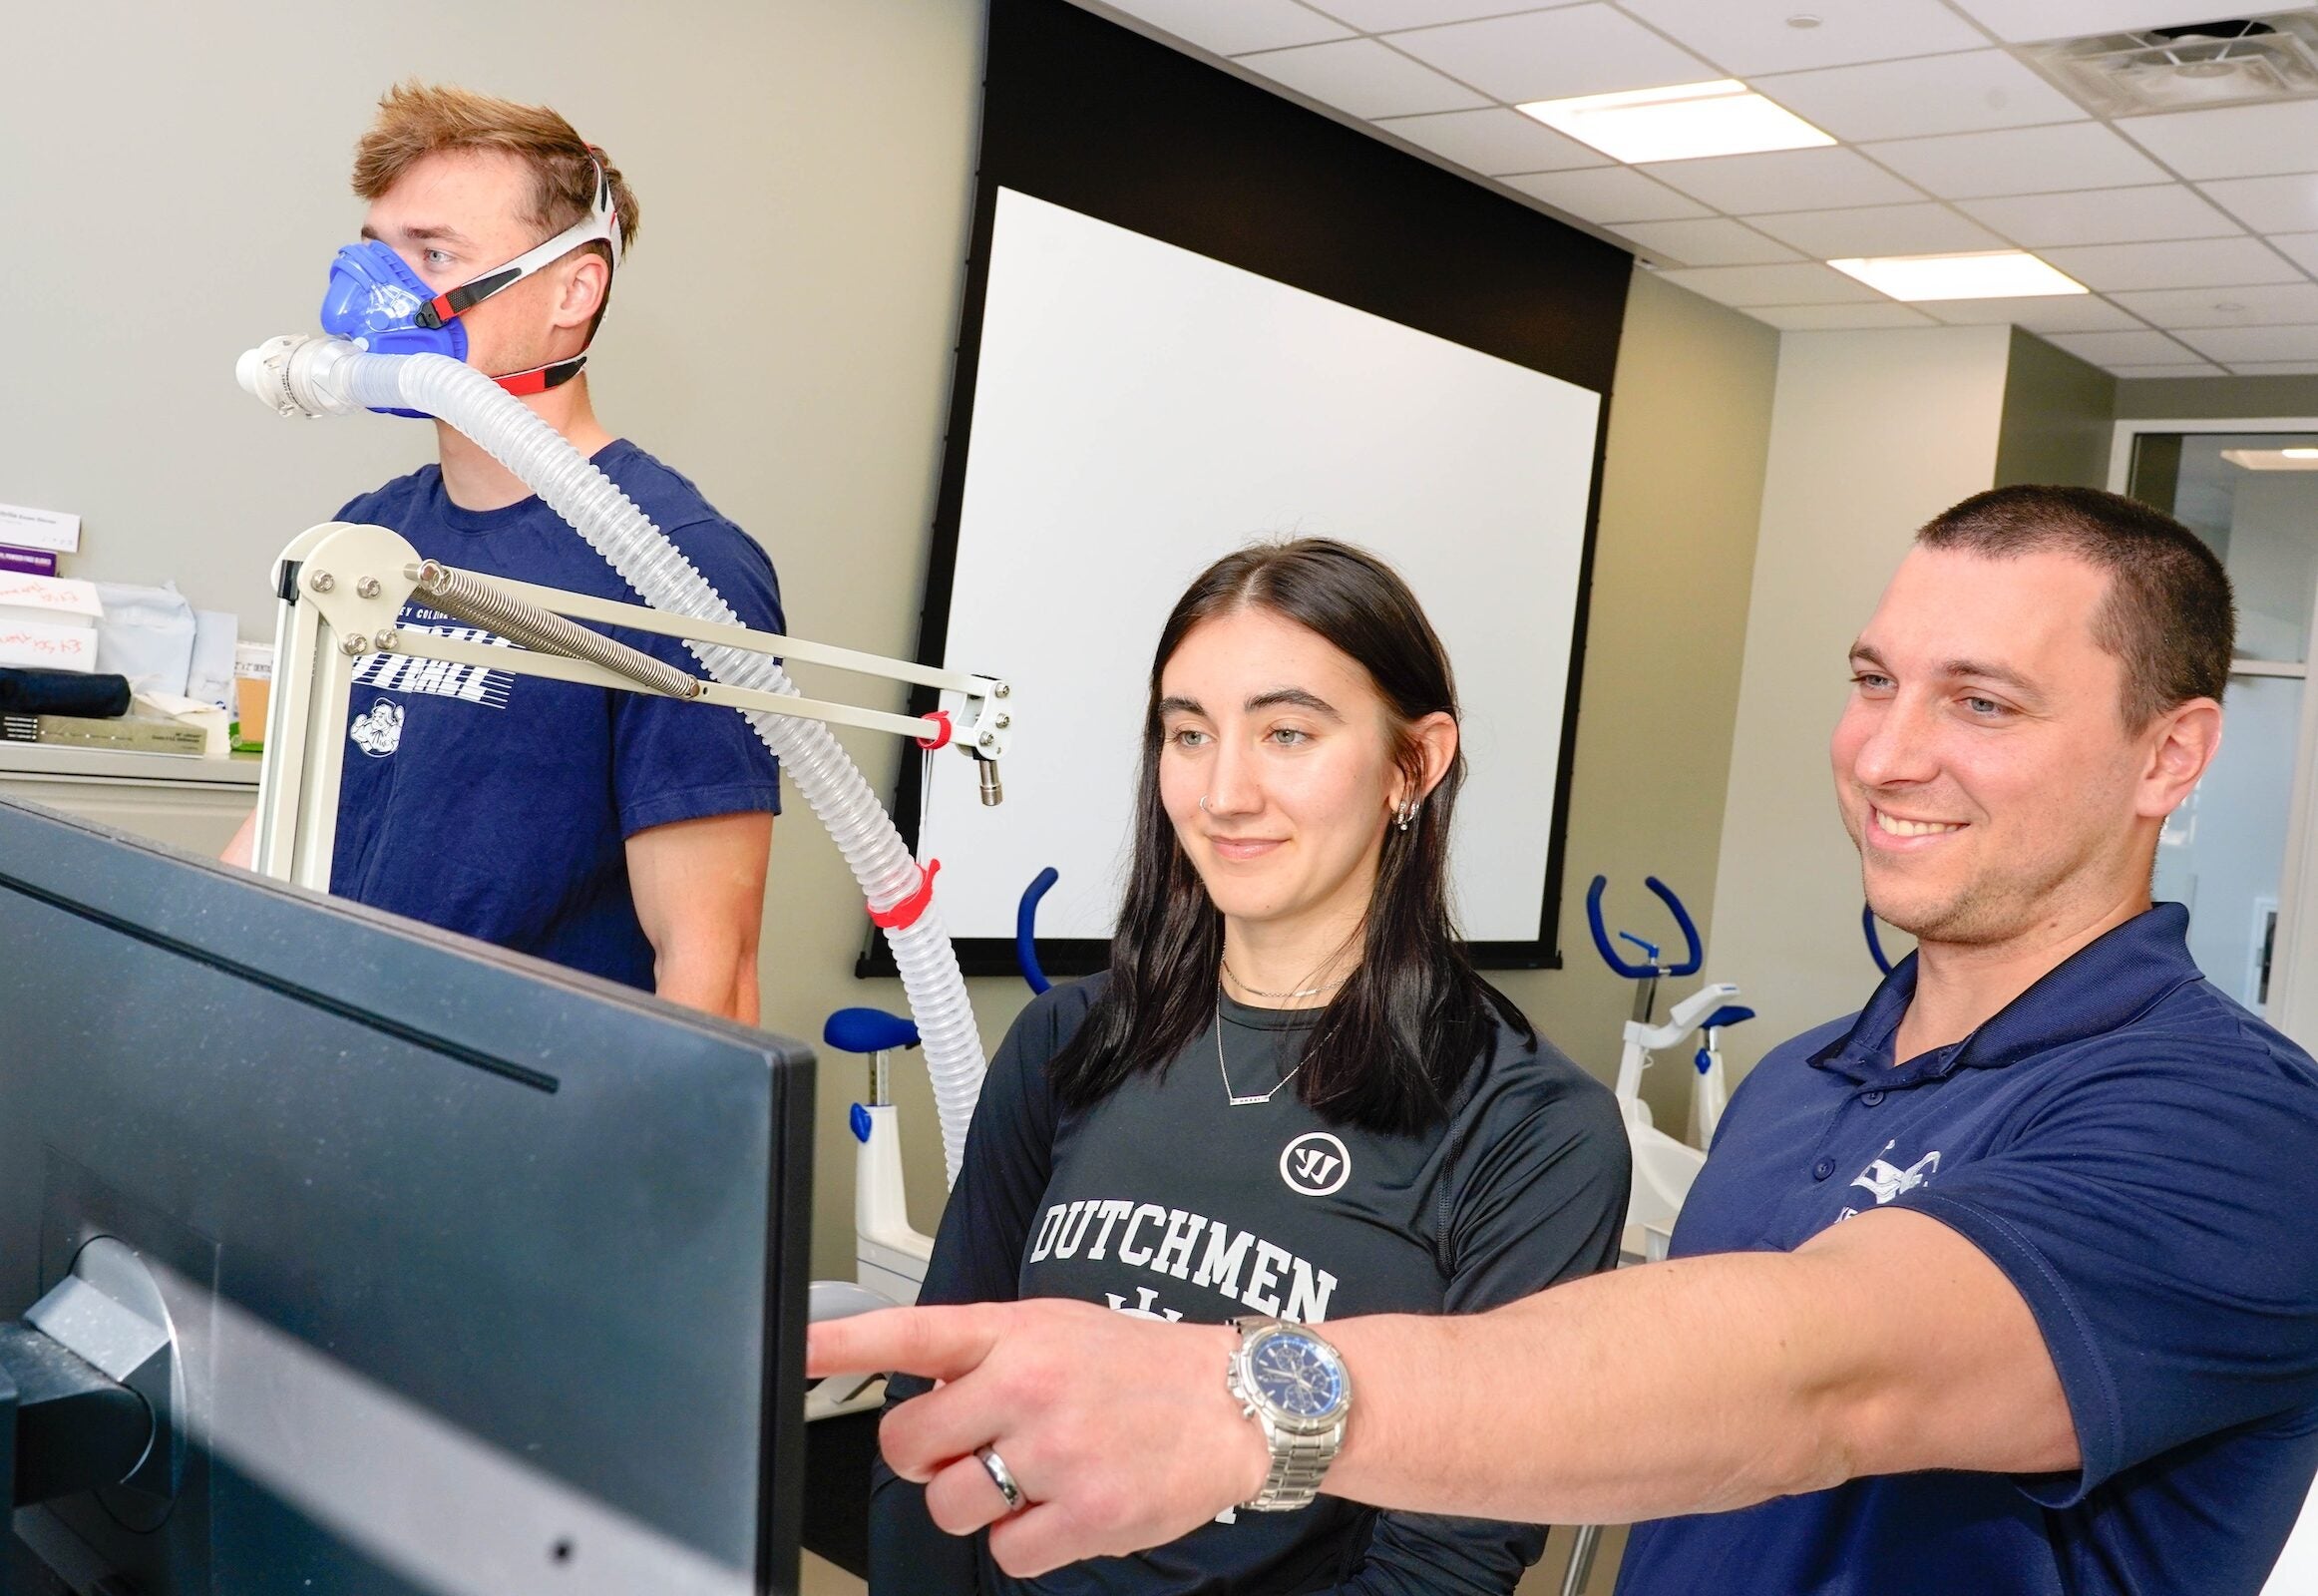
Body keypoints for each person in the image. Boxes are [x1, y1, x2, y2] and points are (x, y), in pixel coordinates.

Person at [815, 486, 2318, 1596]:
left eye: (1981, 703)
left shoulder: (2235, 1131)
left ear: (2169, 756)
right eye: (1872, 682)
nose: (1888, 752)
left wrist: (1241, 1398)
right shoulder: (1797, 1089)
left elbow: (1824, 1381)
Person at [870, 539, 1629, 1591]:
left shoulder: (1531, 1130)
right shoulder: (1065, 1043)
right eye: (1188, 733)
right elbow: (932, 1412)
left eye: (1285, 733)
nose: (1222, 792)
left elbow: (1445, 1563)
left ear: (1414, 762)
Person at [225, 84, 782, 1021]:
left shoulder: (675, 565)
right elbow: (283, 828)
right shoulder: (367, 537)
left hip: (518, 1117)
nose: (378, 292)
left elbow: (708, 963)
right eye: (377, 248)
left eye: (435, 253)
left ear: (575, 289)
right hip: (327, 1071)